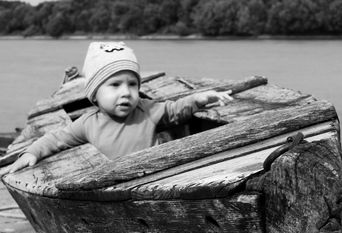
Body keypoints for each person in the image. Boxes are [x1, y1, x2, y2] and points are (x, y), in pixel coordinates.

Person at [9, 42, 233, 173]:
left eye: (132, 84)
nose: (126, 92)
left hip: (156, 176)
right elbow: (56, 139)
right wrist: (32, 152)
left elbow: (175, 110)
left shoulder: (147, 110)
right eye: (115, 85)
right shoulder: (88, 124)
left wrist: (200, 99)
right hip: (116, 185)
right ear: (95, 94)